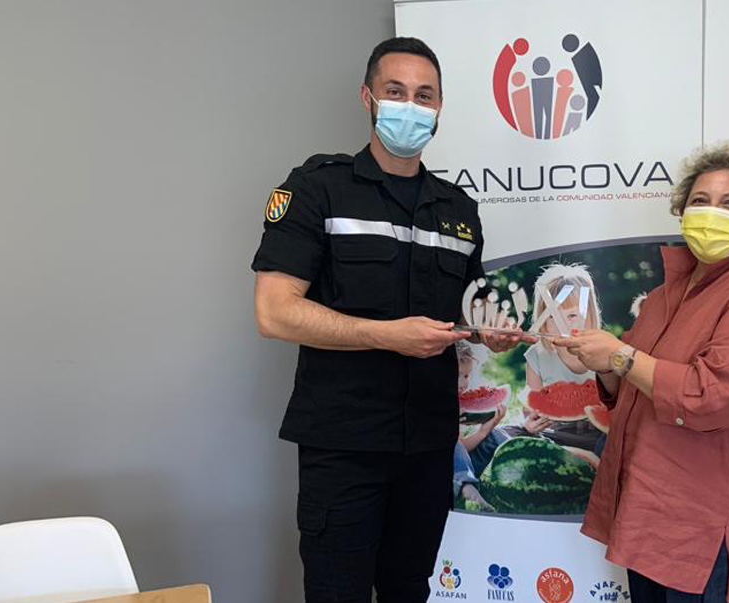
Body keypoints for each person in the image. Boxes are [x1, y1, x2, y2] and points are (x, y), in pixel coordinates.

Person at [251, 37, 521, 603]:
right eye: (395, 92)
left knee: (408, 590)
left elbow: (464, 315)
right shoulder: (318, 188)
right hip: (343, 446)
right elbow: (274, 312)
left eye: (424, 96)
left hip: (428, 445)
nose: (410, 106)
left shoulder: (459, 210)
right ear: (367, 98)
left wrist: (487, 333)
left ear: (439, 108)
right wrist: (384, 336)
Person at [556, 141, 729, 603]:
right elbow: (633, 386)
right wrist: (601, 364)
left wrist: (620, 356)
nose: (712, 212)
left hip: (715, 536)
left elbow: (710, 395)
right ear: (682, 212)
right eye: (700, 201)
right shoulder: (664, 296)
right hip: (653, 524)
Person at [503, 263, 605, 453]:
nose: (563, 324)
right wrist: (530, 421)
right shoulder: (537, 355)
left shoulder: (603, 350)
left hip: (599, 434)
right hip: (553, 434)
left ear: (590, 315)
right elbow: (532, 404)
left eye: (573, 315)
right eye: (553, 316)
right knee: (506, 434)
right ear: (542, 321)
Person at [453, 341, 508, 511]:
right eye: (456, 375)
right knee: (450, 441)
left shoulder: (459, 402)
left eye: (466, 376)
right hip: (445, 470)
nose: (462, 384)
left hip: (464, 463)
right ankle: (466, 488)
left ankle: (515, 467)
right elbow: (458, 447)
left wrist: (486, 430)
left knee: (495, 435)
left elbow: (464, 447)